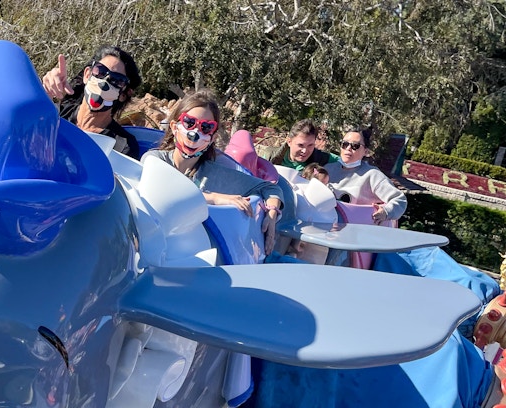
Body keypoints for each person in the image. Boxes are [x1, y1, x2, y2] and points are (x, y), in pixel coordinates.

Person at [142, 89, 284, 255]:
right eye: (189, 123)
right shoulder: (153, 160)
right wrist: (215, 198)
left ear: (213, 137)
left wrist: (272, 213)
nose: (195, 133)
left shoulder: (215, 174)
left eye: (206, 128)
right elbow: (163, 193)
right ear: (174, 126)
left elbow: (270, 188)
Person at [42, 46, 142, 159]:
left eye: (116, 80)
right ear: (87, 74)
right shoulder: (55, 114)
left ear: (123, 95)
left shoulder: (122, 145)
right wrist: (42, 95)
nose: (104, 82)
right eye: (100, 71)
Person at [323, 127, 407, 225]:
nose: (348, 148)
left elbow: (400, 200)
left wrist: (386, 212)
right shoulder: (328, 169)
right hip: (328, 230)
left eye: (355, 146)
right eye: (345, 144)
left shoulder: (372, 175)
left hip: (356, 233)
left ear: (366, 151)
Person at [257, 119, 338, 172]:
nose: (305, 151)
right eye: (300, 145)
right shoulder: (269, 156)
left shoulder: (320, 158)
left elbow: (345, 162)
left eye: (310, 145)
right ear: (289, 141)